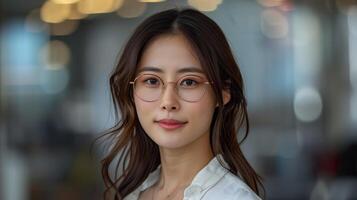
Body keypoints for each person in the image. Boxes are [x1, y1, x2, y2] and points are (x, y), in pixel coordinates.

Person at [100, 8, 264, 200]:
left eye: (189, 82)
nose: (168, 102)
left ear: (223, 91)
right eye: (152, 81)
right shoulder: (132, 195)